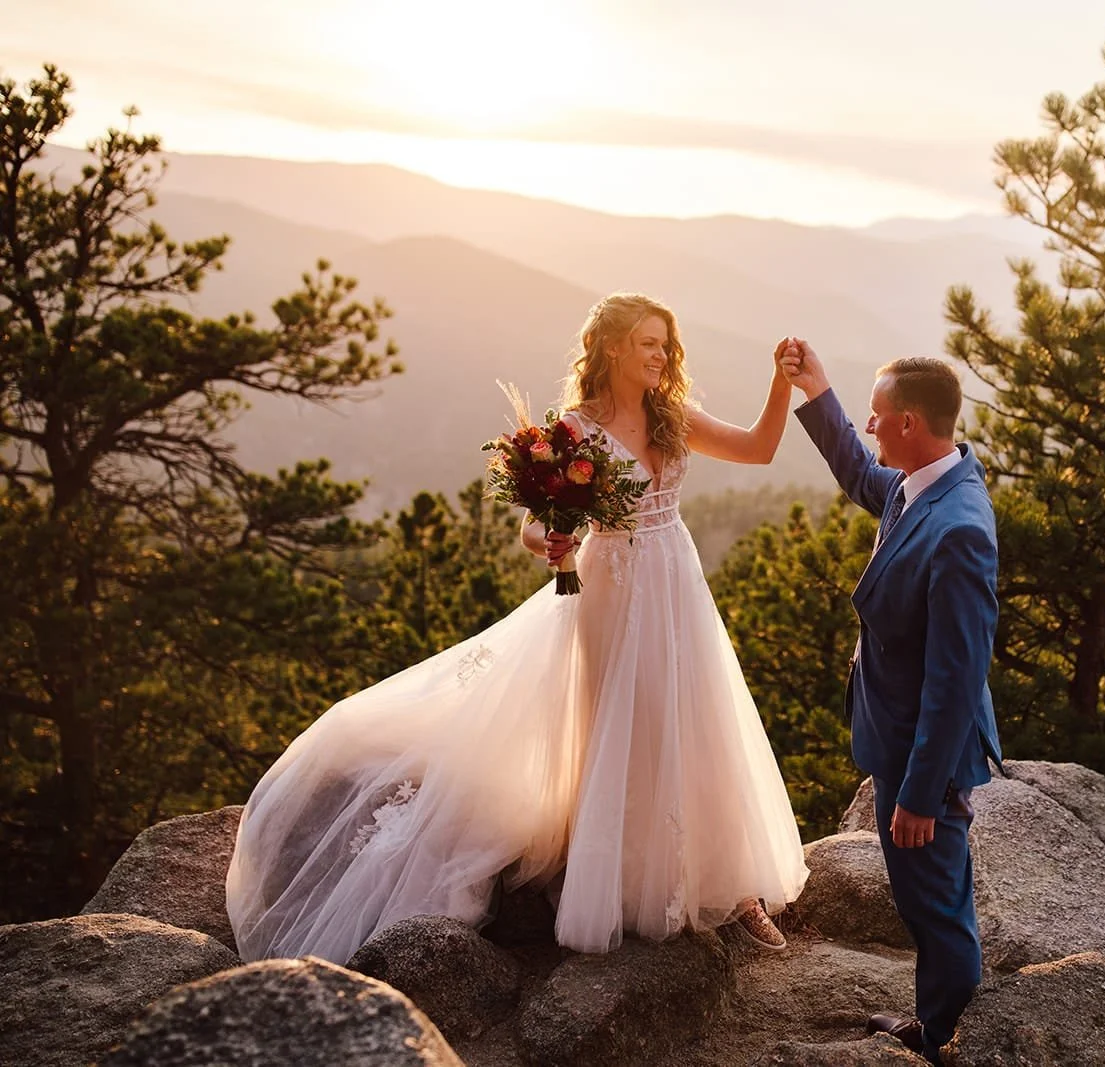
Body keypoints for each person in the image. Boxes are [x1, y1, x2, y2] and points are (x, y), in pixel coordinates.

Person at [226, 292, 808, 964]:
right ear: (613, 346)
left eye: (664, 345)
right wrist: (554, 547)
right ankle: (632, 877)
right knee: (623, 728)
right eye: (647, 342)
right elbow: (537, 528)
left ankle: (731, 890)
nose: (659, 355)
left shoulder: (670, 415)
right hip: (611, 592)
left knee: (698, 721)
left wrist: (778, 384)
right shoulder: (573, 429)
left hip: (677, 581)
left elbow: (761, 450)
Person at [781, 340, 1002, 1065]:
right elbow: (857, 471)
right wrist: (817, 392)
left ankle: (948, 1040)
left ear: (910, 423)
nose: (870, 428)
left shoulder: (959, 528)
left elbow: (955, 681)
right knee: (927, 898)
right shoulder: (921, 483)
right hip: (896, 735)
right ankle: (938, 1020)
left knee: (933, 907)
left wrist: (920, 794)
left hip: (921, 756)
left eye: (878, 417)